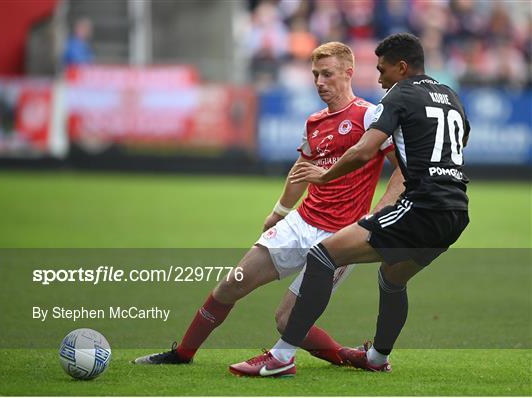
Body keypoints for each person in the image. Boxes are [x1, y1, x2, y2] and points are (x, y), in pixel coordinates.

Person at [133, 42, 404, 369]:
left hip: (339, 238)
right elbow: (299, 172)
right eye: (316, 74)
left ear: (348, 73)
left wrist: (378, 214)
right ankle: (182, 354)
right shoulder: (314, 122)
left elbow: (402, 169)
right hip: (301, 222)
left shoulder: (371, 116)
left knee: (286, 319)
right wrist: (279, 212)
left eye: (327, 74)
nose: (319, 81)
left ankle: (349, 358)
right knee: (230, 285)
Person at [230, 33, 470, 377]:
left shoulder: (399, 94)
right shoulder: (450, 95)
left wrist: (323, 176)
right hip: (456, 211)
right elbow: (459, 141)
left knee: (322, 255)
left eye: (383, 69)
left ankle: (281, 358)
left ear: (402, 68)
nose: (379, 77)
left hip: (422, 205)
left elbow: (363, 150)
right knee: (392, 279)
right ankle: (376, 358)